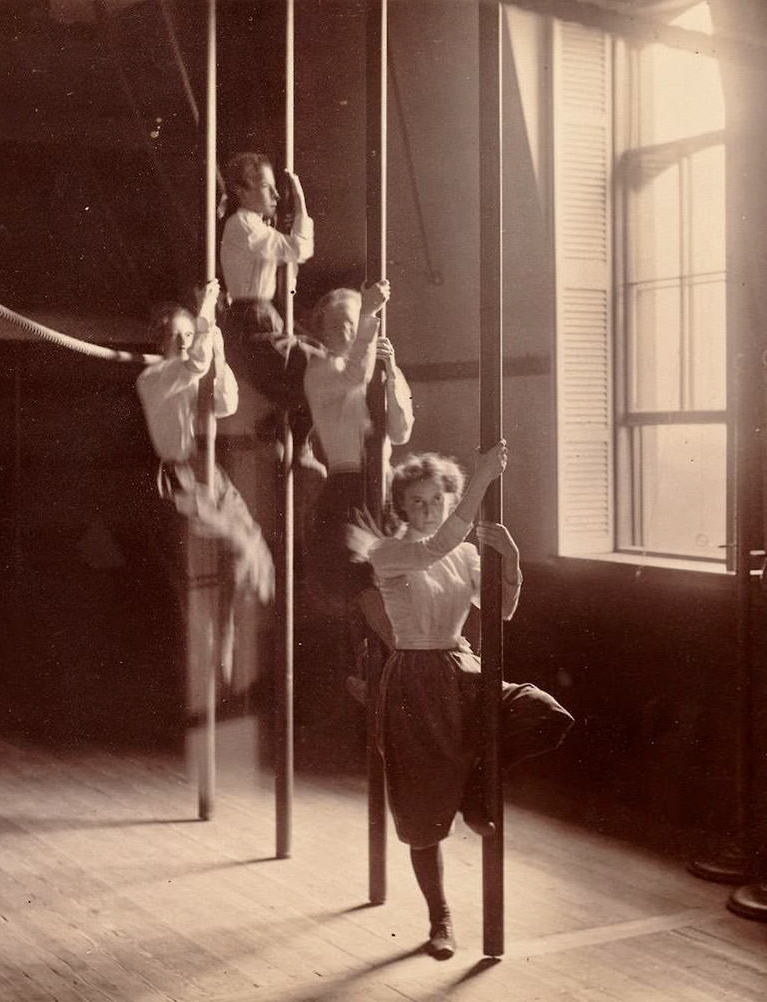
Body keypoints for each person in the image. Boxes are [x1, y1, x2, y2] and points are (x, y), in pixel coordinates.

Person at [354, 444, 574, 960]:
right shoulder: (389, 552)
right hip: (412, 680)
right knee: (421, 812)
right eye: (418, 501)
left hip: (461, 667)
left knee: (543, 712)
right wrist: (483, 477)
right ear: (402, 507)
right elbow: (438, 543)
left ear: (448, 498)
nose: (428, 508)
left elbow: (501, 612)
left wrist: (513, 559)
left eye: (437, 498)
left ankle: (475, 788)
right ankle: (440, 919)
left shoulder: (466, 552)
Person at [135, 278, 274, 605]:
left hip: (209, 467)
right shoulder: (155, 378)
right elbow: (196, 362)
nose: (183, 342)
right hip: (181, 474)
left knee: (253, 540)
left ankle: (243, 612)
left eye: (188, 334)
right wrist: (207, 307)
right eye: (175, 336)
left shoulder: (193, 376)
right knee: (233, 540)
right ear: (161, 342)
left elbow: (227, 404)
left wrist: (219, 350)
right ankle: (217, 618)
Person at [302, 278, 412, 617]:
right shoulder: (320, 370)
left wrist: (392, 377)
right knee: (358, 580)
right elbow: (353, 374)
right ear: (323, 334)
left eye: (353, 323)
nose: (347, 333)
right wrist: (368, 313)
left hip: (387, 487)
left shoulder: (380, 371)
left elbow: (401, 431)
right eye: (338, 326)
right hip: (347, 489)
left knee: (400, 580)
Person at [219, 152, 321, 468]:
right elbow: (298, 249)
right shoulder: (242, 227)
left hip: (266, 316)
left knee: (325, 366)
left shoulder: (258, 227)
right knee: (319, 371)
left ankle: (278, 431)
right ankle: (285, 437)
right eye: (266, 187)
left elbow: (290, 270)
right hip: (251, 321)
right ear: (242, 191)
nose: (276, 195)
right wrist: (301, 201)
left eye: (276, 188)